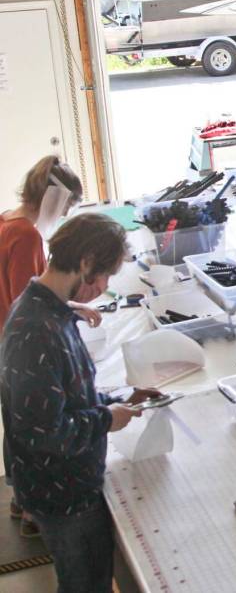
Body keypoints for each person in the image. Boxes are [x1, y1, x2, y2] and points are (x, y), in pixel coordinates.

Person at [0, 213, 160, 592]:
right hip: (61, 493)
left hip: (71, 482)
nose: (103, 287)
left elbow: (67, 398)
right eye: (104, 276)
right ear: (86, 263)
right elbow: (46, 433)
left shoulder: (52, 311)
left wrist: (120, 398)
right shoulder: (35, 332)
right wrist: (107, 419)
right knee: (85, 584)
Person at [0, 156, 98, 538]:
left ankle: (19, 499)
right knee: (35, 426)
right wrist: (69, 313)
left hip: (7, 342)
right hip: (15, 347)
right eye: (69, 205)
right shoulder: (25, 235)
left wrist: (72, 305)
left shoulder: (9, 219)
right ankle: (32, 512)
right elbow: (26, 301)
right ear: (56, 199)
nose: (68, 213)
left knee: (14, 421)